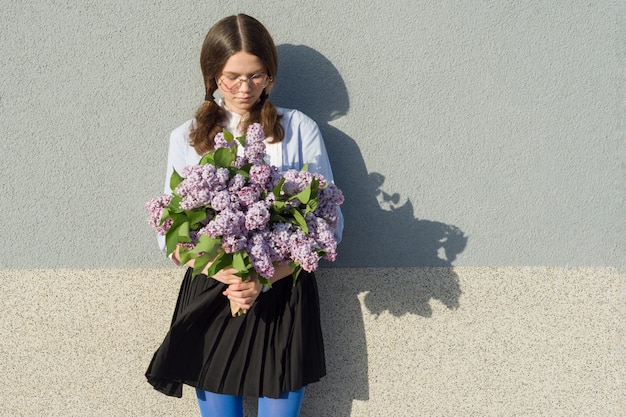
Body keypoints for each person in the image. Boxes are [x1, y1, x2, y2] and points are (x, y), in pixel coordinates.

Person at [145, 14, 343, 417]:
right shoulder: (187, 136)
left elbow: (330, 224)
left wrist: (265, 276)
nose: (244, 88)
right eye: (231, 76)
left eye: (256, 76)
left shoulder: (298, 128)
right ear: (212, 75)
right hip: (216, 290)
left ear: (270, 76)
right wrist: (231, 278)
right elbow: (171, 231)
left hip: (284, 292)